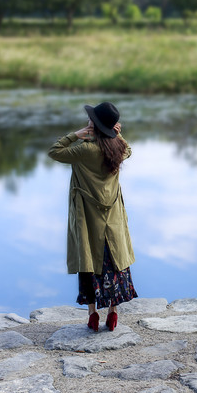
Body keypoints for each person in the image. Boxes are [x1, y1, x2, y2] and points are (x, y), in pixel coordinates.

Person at [48, 101, 137, 332]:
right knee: (114, 262)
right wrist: (119, 136)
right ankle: (113, 314)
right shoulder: (117, 149)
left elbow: (54, 152)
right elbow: (129, 149)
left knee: (89, 261)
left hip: (89, 220)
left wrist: (74, 135)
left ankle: (92, 314)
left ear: (94, 124)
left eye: (91, 119)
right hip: (113, 219)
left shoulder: (85, 150)